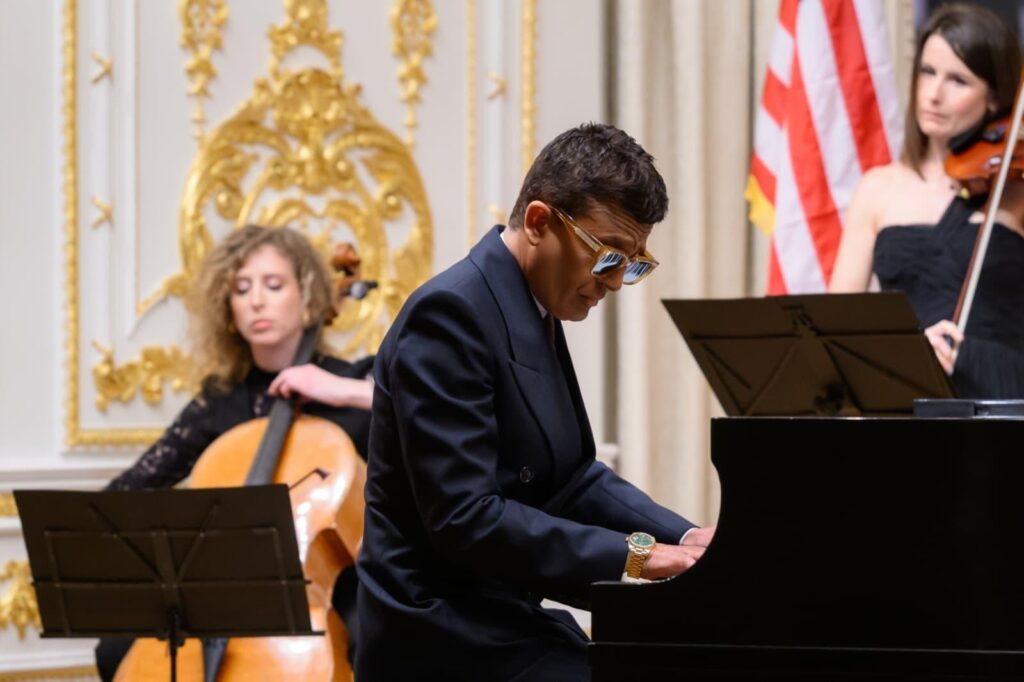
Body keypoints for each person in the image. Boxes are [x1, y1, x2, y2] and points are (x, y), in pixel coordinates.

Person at [355, 123, 715, 681]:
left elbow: (571, 480)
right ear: (539, 222)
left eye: (633, 263)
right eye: (607, 256)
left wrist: (685, 536)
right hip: (437, 636)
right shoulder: (449, 316)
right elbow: (465, 519)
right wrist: (640, 555)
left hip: (498, 619)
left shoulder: (531, 304)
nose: (616, 282)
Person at [96, 224, 375, 680]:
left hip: (331, 578)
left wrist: (343, 390)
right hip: (227, 583)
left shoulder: (350, 383)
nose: (256, 301)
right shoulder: (219, 401)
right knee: (115, 651)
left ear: (307, 296)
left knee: (372, 642)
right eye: (241, 289)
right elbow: (127, 491)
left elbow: (432, 413)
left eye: (273, 285)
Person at [830, 3, 1024, 398]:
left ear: (994, 98)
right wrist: (906, 353)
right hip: (906, 395)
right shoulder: (878, 187)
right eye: (927, 72)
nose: (934, 94)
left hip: (1003, 397)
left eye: (958, 80)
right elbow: (836, 329)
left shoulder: (1015, 189)